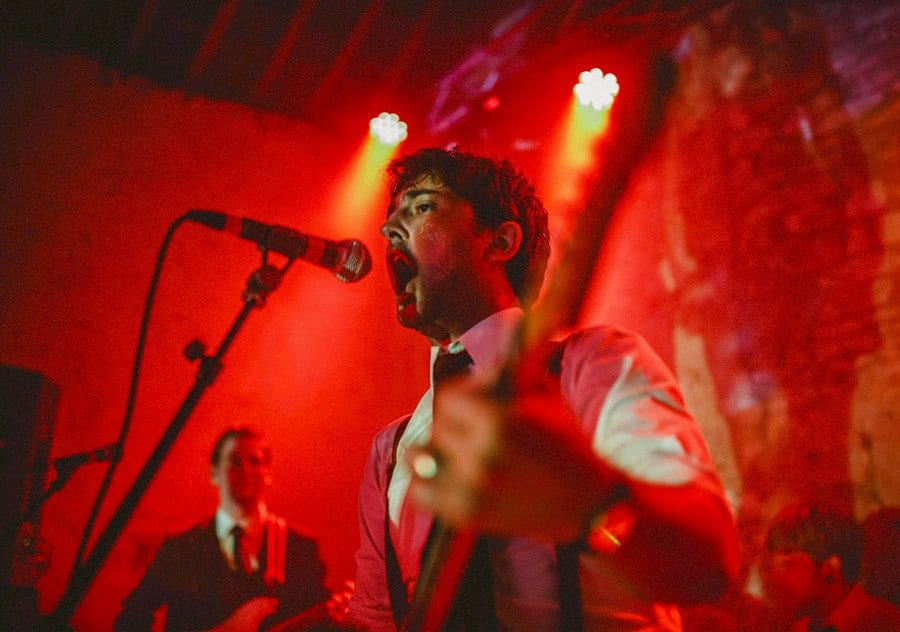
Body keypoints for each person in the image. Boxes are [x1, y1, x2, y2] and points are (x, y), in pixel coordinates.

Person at [346, 61, 740, 631]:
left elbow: (708, 566)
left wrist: (591, 506)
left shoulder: (595, 365)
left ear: (501, 240)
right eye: (390, 220)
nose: (391, 233)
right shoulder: (389, 451)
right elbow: (374, 618)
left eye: (421, 208)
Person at [115, 426, 332, 631]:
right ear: (214, 473)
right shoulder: (182, 548)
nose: (245, 469)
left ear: (268, 473)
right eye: (234, 461)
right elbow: (131, 618)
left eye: (254, 461)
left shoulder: (299, 548)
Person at [763, 502, 900, 632]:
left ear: (829, 567)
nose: (773, 578)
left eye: (786, 566)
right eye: (770, 567)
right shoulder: (801, 628)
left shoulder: (886, 624)